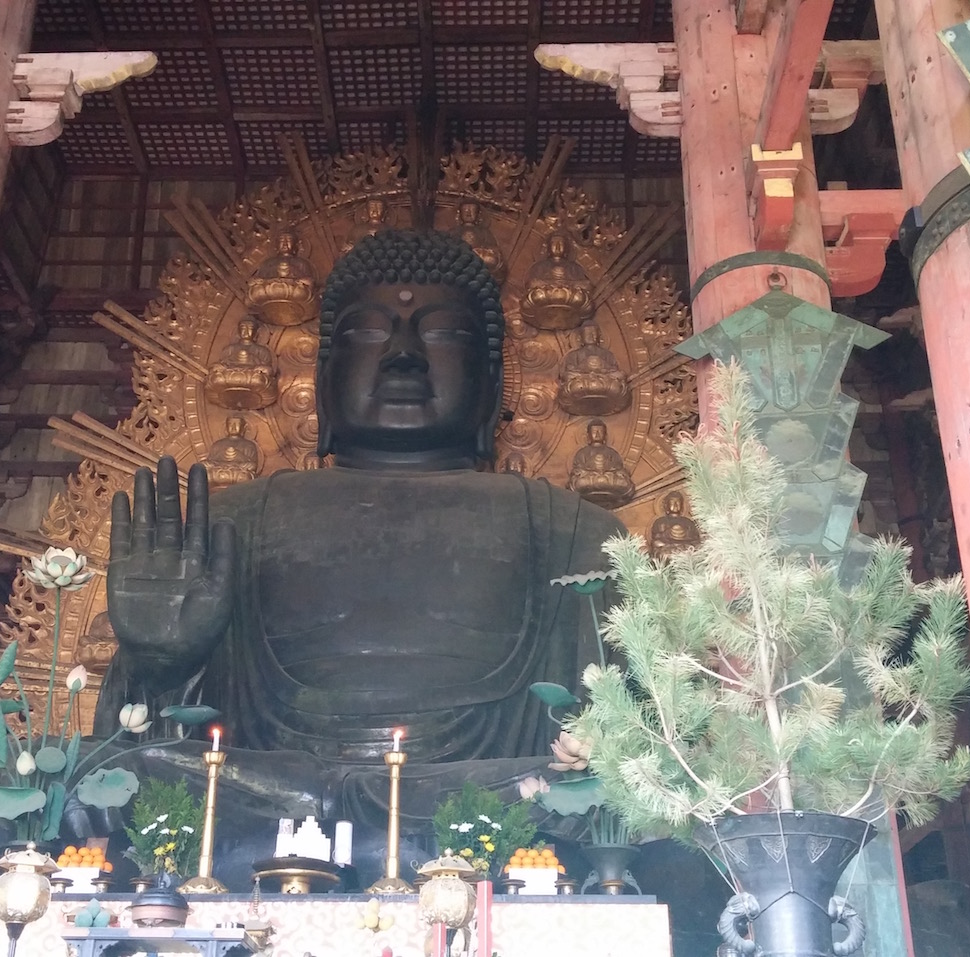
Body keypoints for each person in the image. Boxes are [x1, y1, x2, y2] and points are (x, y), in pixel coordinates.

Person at [101, 229, 622, 765]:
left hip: (501, 815)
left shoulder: (578, 535)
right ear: (323, 380)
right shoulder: (228, 529)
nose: (403, 355)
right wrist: (158, 664)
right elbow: (137, 766)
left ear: (492, 380)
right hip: (266, 812)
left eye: (443, 333)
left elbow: (635, 763)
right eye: (369, 334)